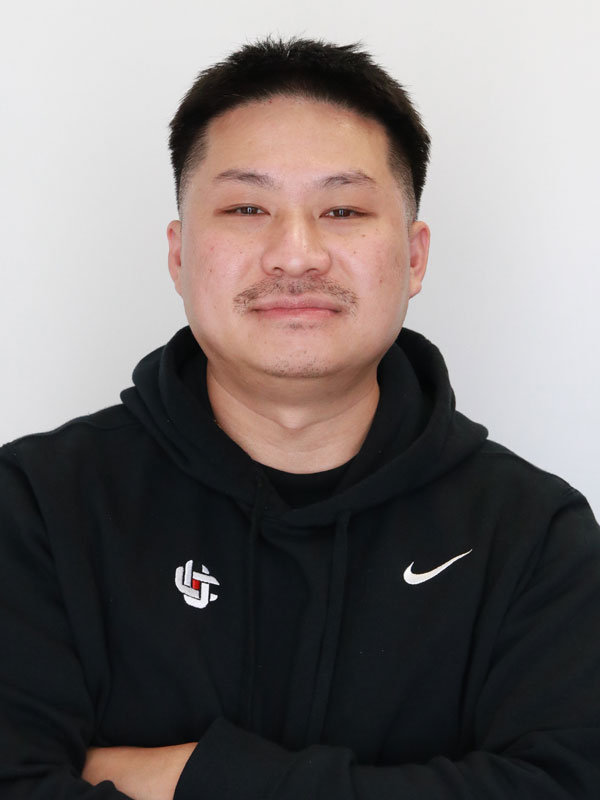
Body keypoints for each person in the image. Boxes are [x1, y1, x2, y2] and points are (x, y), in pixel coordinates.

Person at [1, 36, 599, 800]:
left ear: (414, 257)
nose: (295, 254)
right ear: (179, 254)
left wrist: (194, 777)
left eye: (342, 209)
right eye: (247, 208)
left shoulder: (535, 536)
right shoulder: (36, 508)